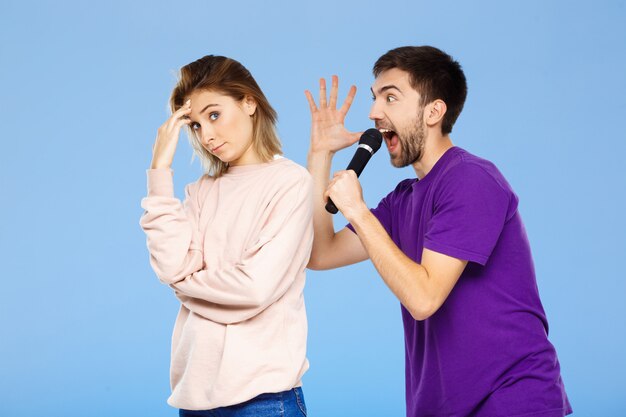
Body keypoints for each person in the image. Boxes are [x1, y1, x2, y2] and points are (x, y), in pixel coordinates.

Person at [305, 46, 572, 417]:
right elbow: (321, 253)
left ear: (434, 111)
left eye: (390, 98)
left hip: (510, 400)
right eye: (374, 98)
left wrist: (357, 210)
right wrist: (320, 155)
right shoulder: (403, 200)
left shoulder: (471, 179)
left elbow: (424, 298)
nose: (373, 113)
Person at [140, 55, 311, 417]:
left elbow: (254, 289)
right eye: (196, 126)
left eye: (214, 115)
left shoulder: (290, 182)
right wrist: (159, 170)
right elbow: (171, 267)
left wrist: (186, 284)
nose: (208, 135)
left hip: (263, 399)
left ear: (248, 102)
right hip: (194, 397)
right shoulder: (201, 191)